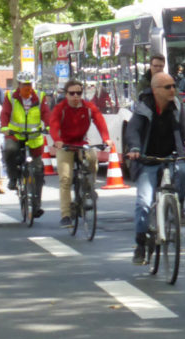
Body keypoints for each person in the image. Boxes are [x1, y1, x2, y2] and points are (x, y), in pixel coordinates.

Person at [125, 72, 185, 264]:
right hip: (147, 159)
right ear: (156, 90)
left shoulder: (177, 107)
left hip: (172, 157)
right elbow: (133, 130)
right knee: (143, 202)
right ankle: (140, 244)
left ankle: (179, 206)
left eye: (174, 86)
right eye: (168, 87)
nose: (173, 90)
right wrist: (134, 148)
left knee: (184, 172)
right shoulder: (143, 108)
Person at [49, 79, 113, 228]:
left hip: (81, 142)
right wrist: (57, 140)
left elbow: (100, 121)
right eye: (72, 93)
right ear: (66, 94)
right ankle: (65, 215)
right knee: (65, 179)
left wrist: (106, 138)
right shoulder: (60, 108)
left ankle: (89, 188)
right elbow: (53, 125)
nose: (76, 96)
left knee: (92, 158)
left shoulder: (88, 107)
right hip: (64, 144)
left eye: (79, 93)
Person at [1, 70, 50, 218]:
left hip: (34, 137)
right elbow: (5, 113)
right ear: (19, 84)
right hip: (15, 135)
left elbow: (46, 113)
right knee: (9, 150)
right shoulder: (11, 97)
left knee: (38, 171)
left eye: (29, 84)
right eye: (24, 84)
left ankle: (36, 206)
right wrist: (5, 128)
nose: (27, 87)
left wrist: (47, 126)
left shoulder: (40, 97)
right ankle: (13, 177)